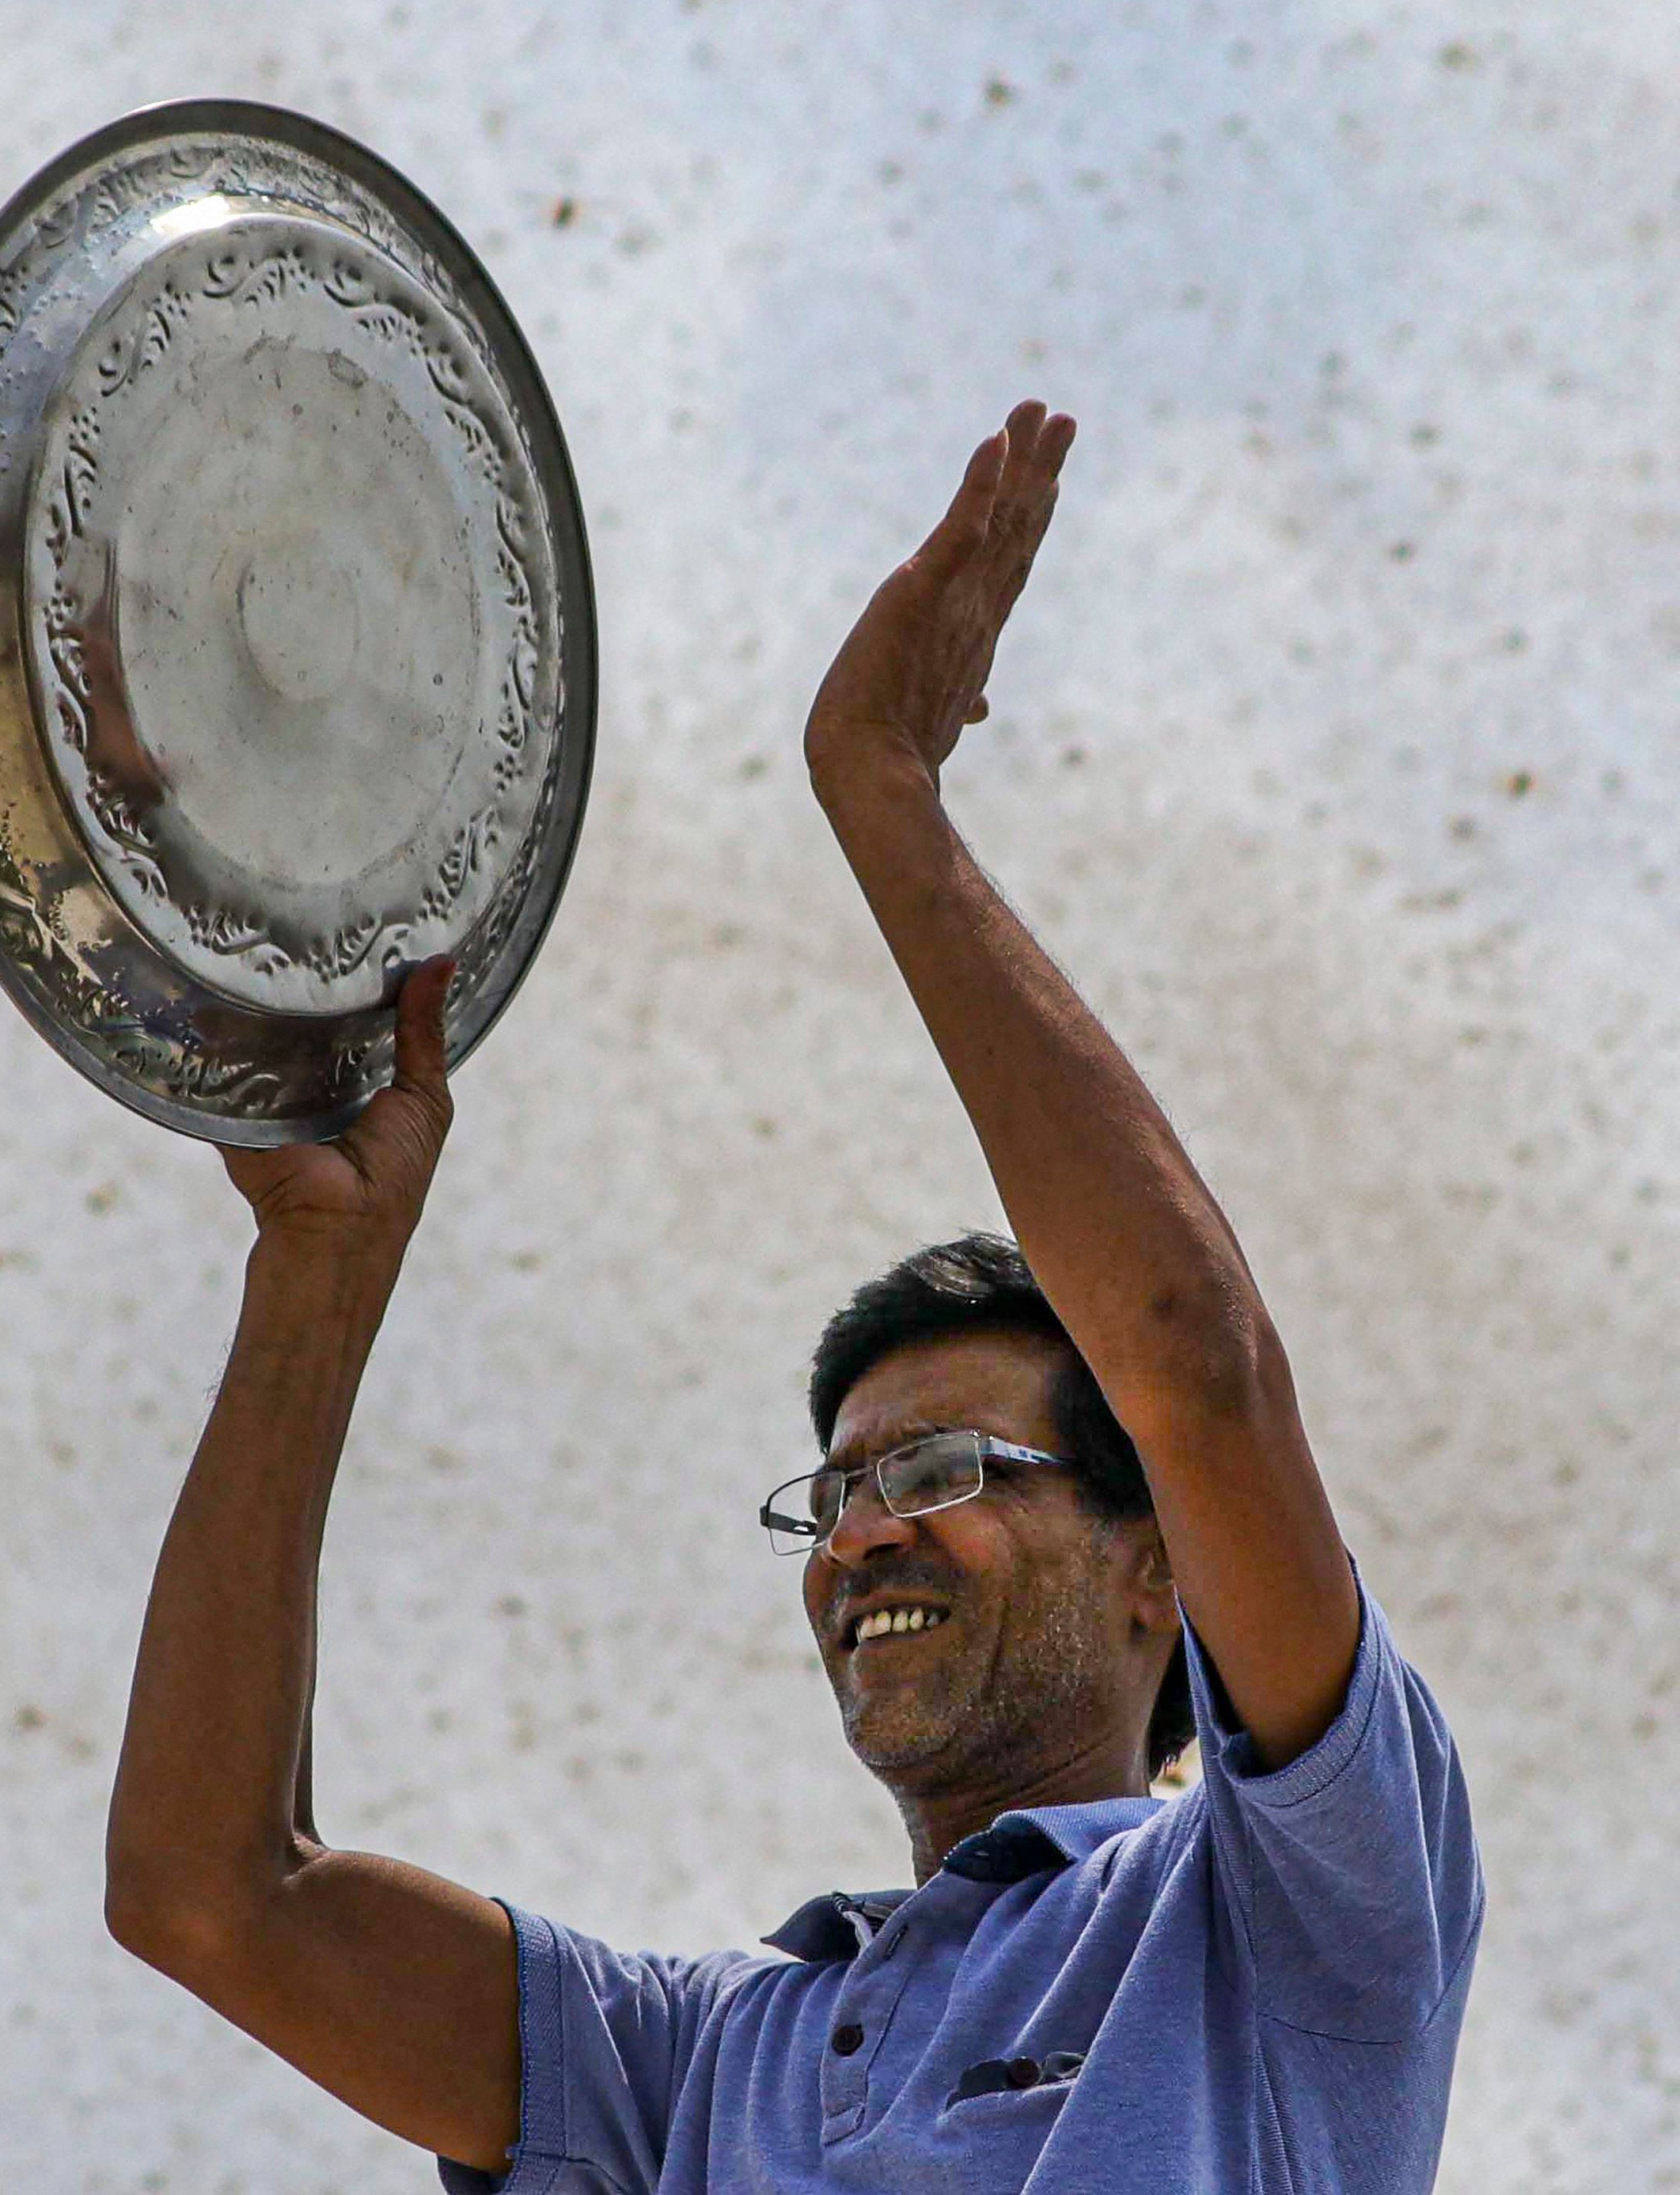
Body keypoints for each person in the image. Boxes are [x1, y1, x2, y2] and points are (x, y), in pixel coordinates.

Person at [103, 404, 1481, 2189]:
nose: (859, 1543)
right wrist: (315, 1270)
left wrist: (882, 789)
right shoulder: (689, 2059)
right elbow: (212, 1892)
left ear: (1161, 1565)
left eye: (937, 1476)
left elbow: (1196, 1371)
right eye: (834, 1498)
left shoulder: (1288, 1909)